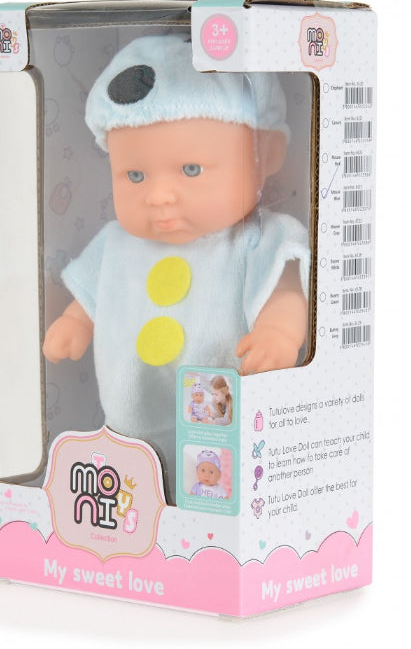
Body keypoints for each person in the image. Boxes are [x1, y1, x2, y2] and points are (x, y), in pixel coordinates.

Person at [42, 34, 310, 501]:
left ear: (264, 155)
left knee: (212, 495)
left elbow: (286, 292)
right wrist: (74, 322)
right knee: (132, 500)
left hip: (219, 429)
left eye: (190, 170)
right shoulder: (117, 243)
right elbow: (93, 296)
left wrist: (280, 334)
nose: (159, 196)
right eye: (135, 175)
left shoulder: (256, 239)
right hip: (128, 429)